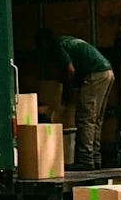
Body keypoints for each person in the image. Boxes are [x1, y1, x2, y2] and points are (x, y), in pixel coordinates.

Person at [36, 28, 114, 171]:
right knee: (96, 119)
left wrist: (68, 91)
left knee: (85, 118)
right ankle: (95, 158)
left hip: (95, 75)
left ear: (44, 43)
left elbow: (70, 71)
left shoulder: (55, 46)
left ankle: (85, 160)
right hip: (107, 72)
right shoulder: (67, 39)